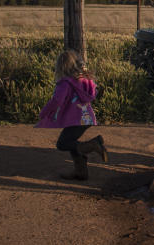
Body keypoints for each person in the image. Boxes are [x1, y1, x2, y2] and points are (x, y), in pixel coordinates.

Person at [35, 49, 108, 180]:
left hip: (75, 119)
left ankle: (93, 144)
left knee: (63, 143)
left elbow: (57, 100)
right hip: (86, 118)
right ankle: (81, 172)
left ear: (61, 66)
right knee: (71, 142)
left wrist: (44, 112)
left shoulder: (65, 83)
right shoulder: (84, 80)